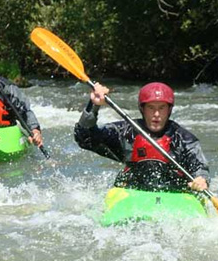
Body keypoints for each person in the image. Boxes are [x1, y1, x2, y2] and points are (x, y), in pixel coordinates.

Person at [74, 82, 209, 193]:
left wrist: (201, 179)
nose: (156, 114)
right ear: (142, 109)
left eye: (161, 108)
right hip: (132, 192)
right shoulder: (126, 132)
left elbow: (199, 167)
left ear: (169, 110)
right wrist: (94, 105)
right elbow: (85, 138)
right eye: (151, 108)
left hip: (175, 194)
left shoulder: (184, 139)